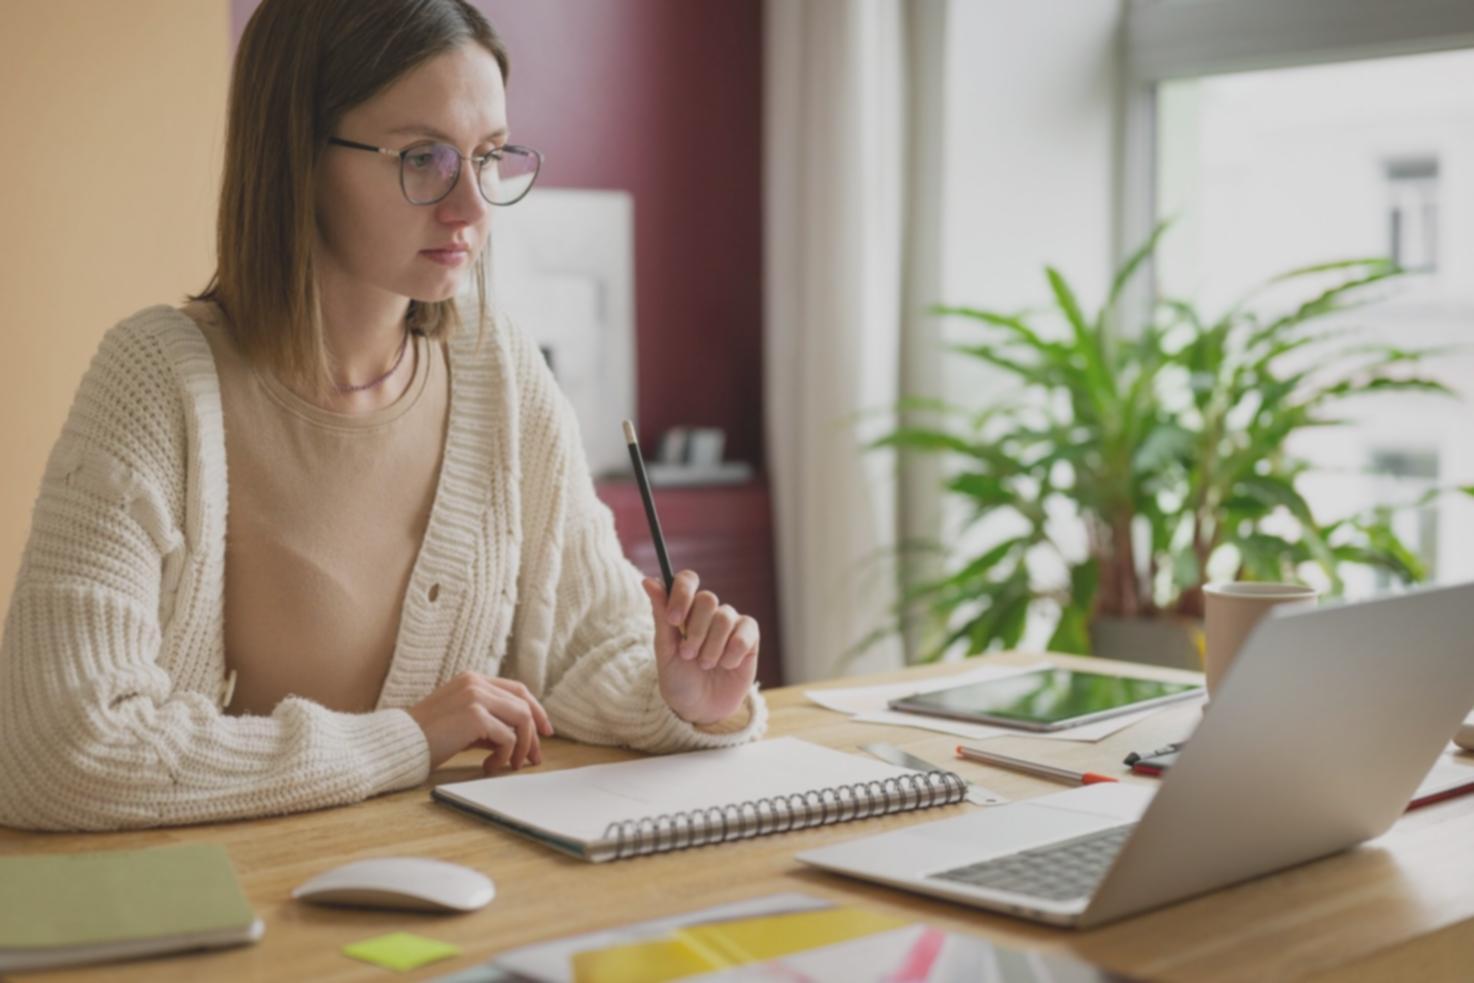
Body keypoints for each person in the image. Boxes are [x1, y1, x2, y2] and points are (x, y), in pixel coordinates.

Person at [0, 0, 765, 832]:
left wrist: (680, 694)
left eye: (490, 156)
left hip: (440, 900)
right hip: (228, 915)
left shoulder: (498, 371)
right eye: (425, 158)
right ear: (299, 155)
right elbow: (59, 749)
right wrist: (401, 739)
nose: (471, 207)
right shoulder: (153, 383)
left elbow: (589, 643)